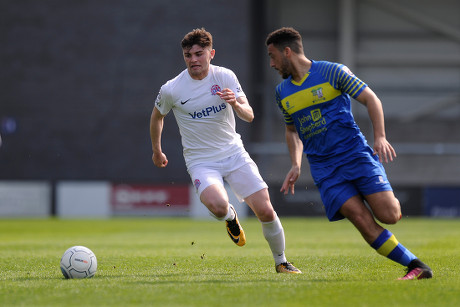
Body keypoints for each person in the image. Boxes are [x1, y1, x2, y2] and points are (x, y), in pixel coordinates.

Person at [265, 27, 432, 280]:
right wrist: (296, 164)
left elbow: (371, 99)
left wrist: (380, 137)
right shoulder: (282, 93)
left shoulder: (333, 71)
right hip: (325, 169)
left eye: (273, 55)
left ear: (287, 51)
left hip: (355, 155)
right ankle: (417, 266)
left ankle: (380, 194)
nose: (271, 63)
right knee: (360, 219)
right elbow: (291, 131)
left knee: (390, 215)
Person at [150, 28, 301, 274]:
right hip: (201, 161)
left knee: (265, 209)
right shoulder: (172, 88)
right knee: (218, 206)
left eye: (199, 54)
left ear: (212, 54)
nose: (193, 60)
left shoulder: (225, 77)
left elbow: (249, 115)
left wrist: (235, 103)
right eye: (188, 55)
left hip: (233, 154)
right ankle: (231, 217)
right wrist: (157, 150)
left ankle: (281, 261)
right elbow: (157, 117)